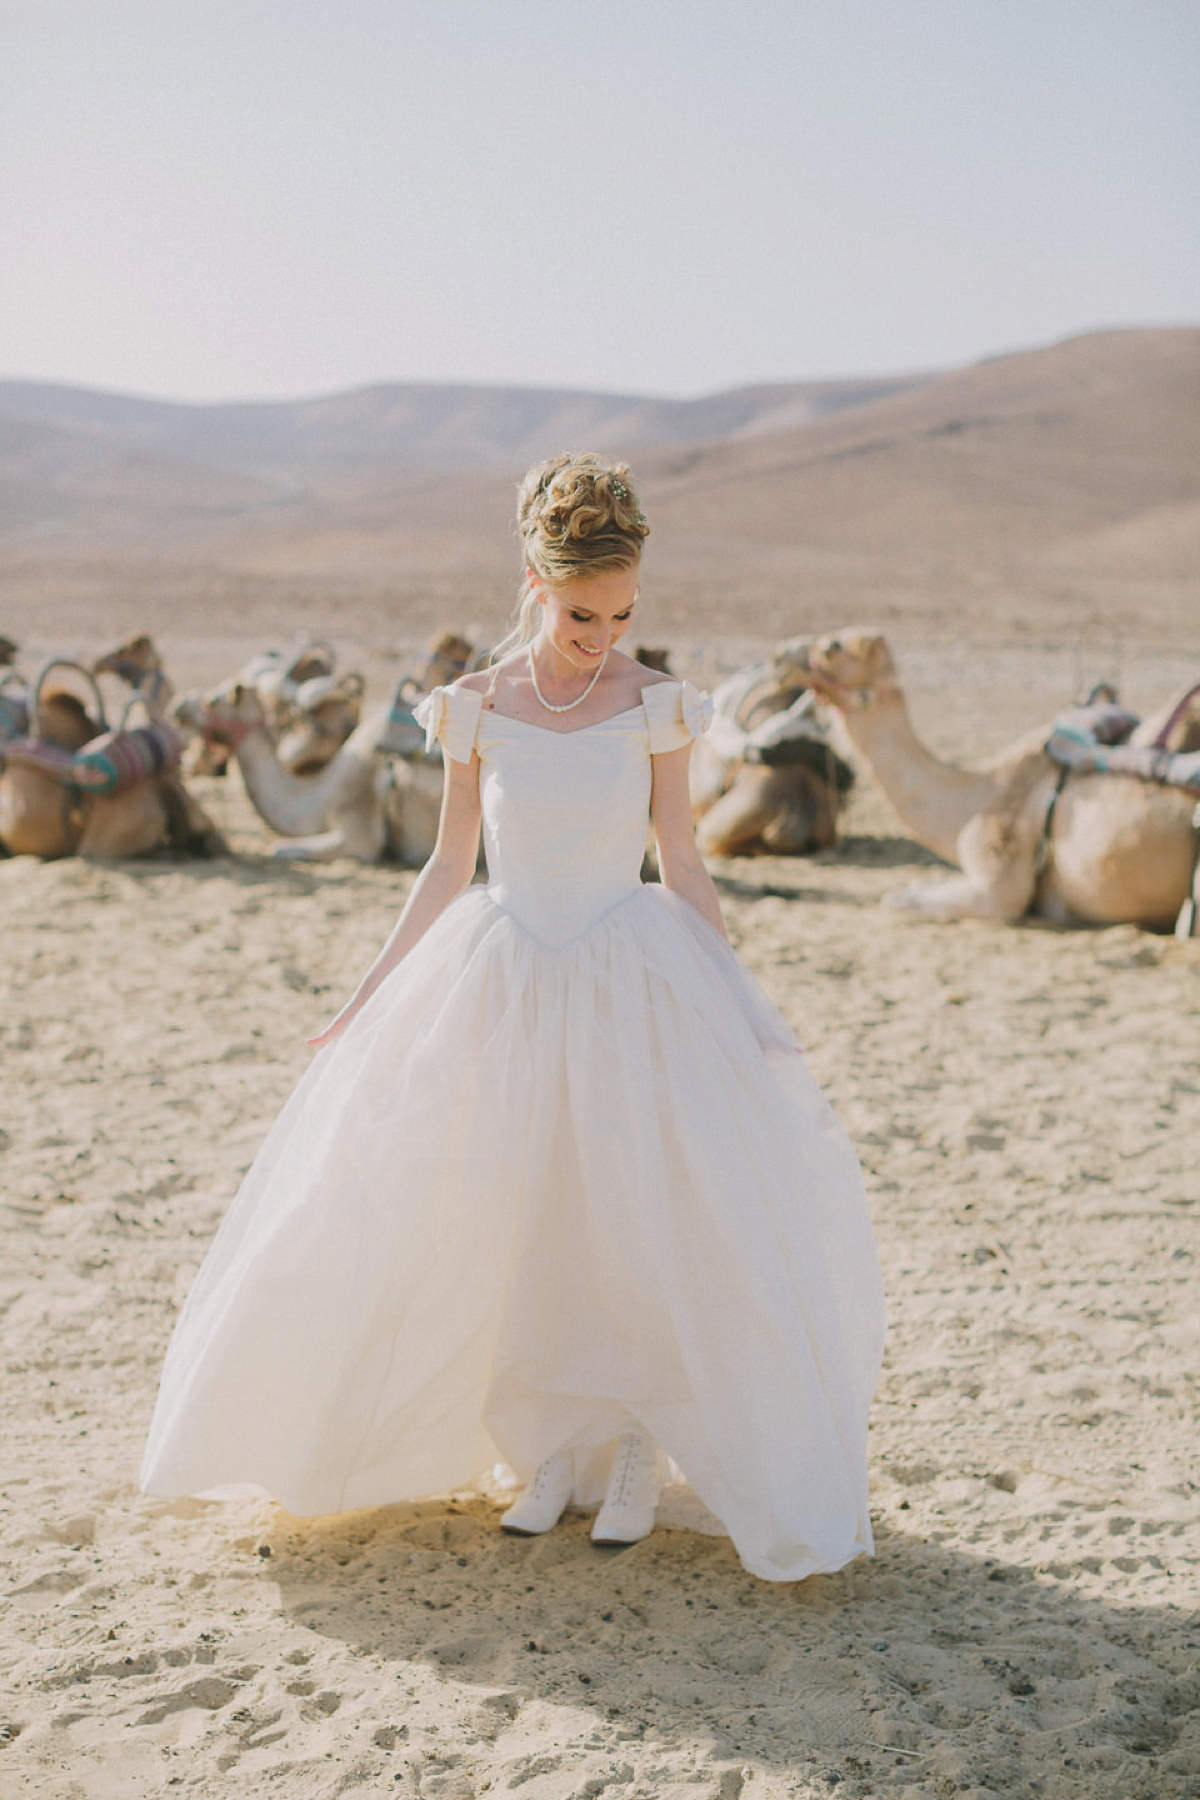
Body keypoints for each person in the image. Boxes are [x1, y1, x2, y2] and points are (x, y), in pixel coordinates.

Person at [140, 454, 885, 1583]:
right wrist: (368, 993)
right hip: (504, 975)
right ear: (537, 585)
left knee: (633, 1208)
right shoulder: (475, 706)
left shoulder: (656, 705)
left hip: (631, 977)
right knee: (516, 1205)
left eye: (626, 611)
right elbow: (447, 866)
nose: (607, 632)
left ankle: (633, 1448)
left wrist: (736, 997)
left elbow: (682, 860)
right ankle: (549, 1452)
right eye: (586, 612)